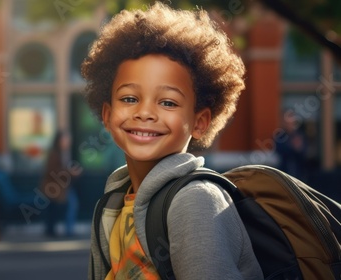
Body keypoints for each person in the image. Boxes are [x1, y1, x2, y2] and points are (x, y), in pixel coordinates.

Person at [82, 3, 263, 279]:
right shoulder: (111, 204)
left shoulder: (195, 200)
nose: (144, 113)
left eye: (168, 102)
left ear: (200, 122)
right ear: (107, 115)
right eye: (129, 98)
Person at [40, 130, 81, 237]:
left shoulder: (63, 153)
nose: (67, 142)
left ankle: (65, 229)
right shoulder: (54, 154)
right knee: (59, 207)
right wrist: (69, 172)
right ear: (58, 141)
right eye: (64, 140)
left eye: (68, 140)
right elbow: (52, 171)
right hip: (54, 187)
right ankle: (65, 230)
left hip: (61, 187)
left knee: (65, 206)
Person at [275, 110, 308, 180]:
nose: (289, 124)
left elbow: (304, 153)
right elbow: (280, 151)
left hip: (299, 175)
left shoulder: (299, 136)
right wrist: (293, 147)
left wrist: (299, 148)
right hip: (283, 174)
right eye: (287, 121)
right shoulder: (279, 136)